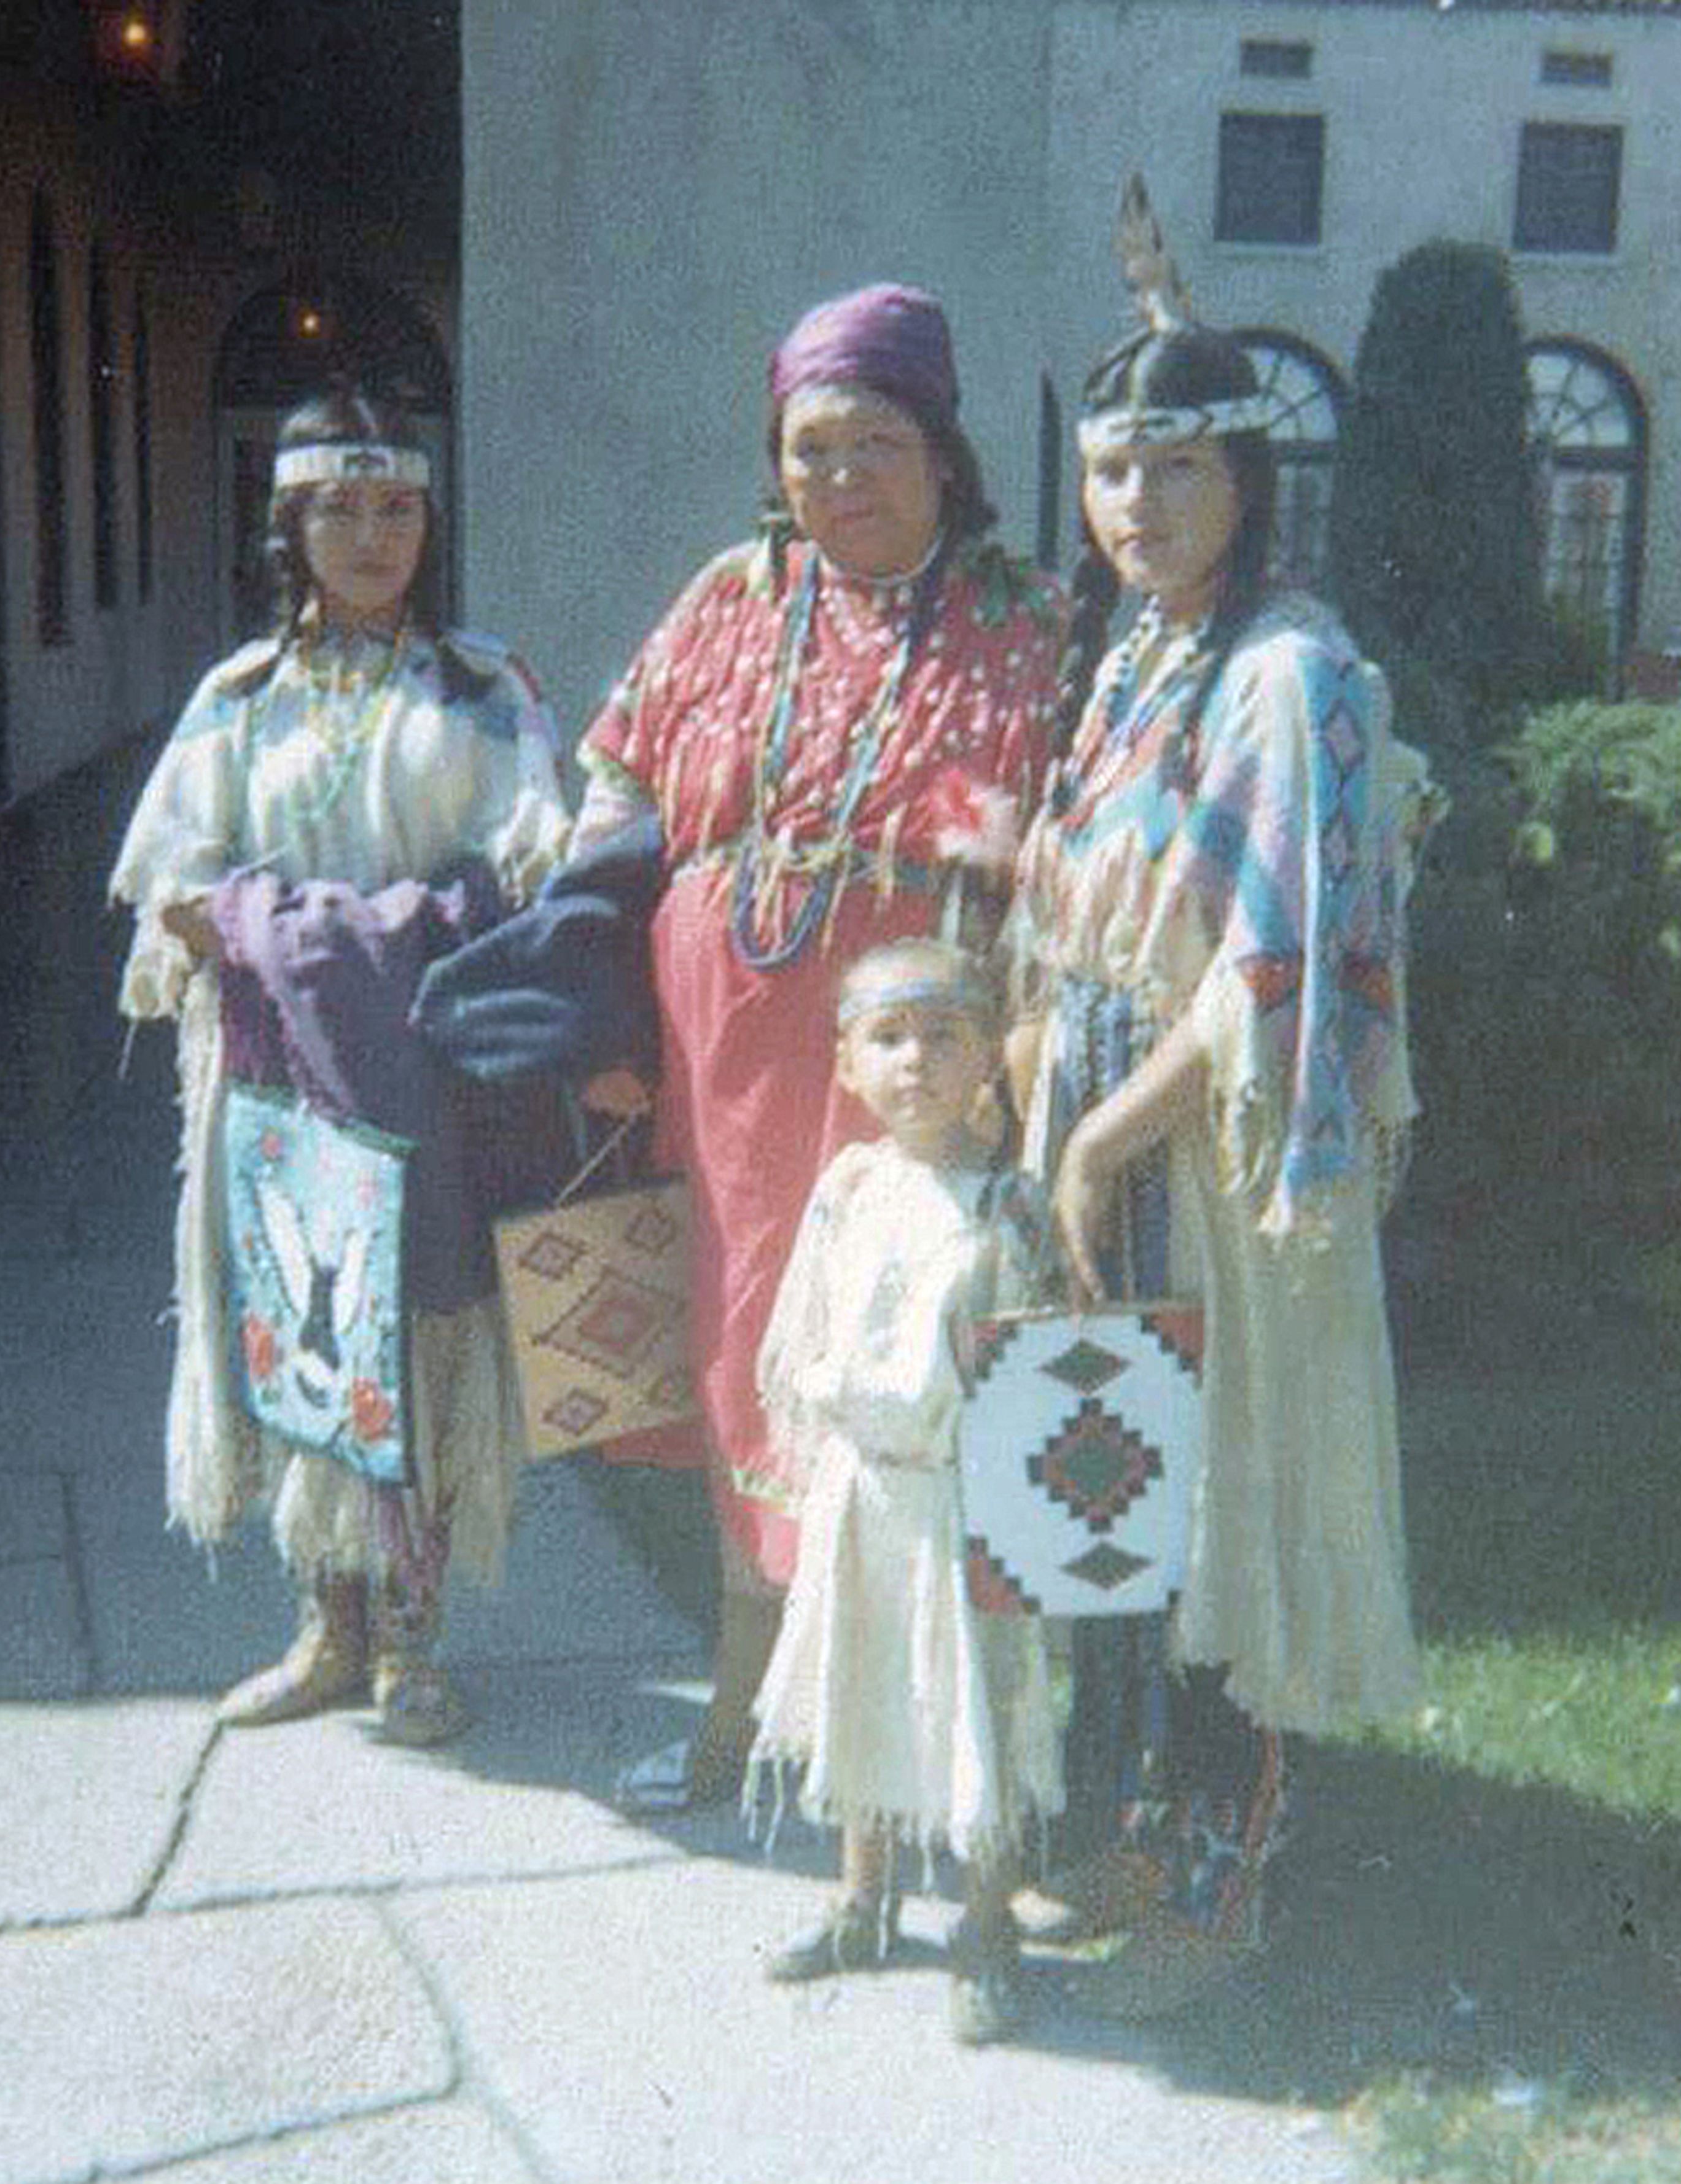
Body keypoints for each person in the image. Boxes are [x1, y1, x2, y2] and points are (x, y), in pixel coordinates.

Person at [569, 284, 1066, 1809]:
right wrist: (596, 999)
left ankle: (904, 1750)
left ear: (941, 447)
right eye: (809, 447)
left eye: (874, 442)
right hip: (720, 1064)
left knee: (895, 1359)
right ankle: (741, 1715)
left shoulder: (1024, 613)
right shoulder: (733, 596)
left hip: (908, 1066)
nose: (839, 477)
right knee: (743, 1358)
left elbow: (1058, 860)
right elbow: (613, 790)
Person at [1006, 260, 1434, 1992]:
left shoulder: (1289, 673)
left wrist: (1101, 1139)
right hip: (1101, 1110)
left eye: (1177, 470)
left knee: (1217, 1502)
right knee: (1113, 1483)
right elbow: (1079, 916)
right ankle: (1133, 1823)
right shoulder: (1138, 659)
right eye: (1112, 471)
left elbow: (1270, 969)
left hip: (1211, 1149)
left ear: (1249, 482)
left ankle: (1221, 1870)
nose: (1137, 507)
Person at [109, 388, 569, 1744]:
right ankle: (327, 1625)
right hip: (267, 1067)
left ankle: (413, 1638)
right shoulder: (237, 701)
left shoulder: (483, 688)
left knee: (419, 1332)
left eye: (397, 507)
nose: (371, 536)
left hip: (423, 1060)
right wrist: (266, 928)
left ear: (432, 518)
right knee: (297, 1324)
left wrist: (365, 934)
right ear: (288, 525)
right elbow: (171, 880)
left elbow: (533, 858)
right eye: (339, 509)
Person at [746, 938, 1062, 2046]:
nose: (914, 1061)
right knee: (862, 1682)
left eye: (943, 1037)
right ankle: (862, 1899)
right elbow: (807, 1332)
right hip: (863, 1491)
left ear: (989, 1058)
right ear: (846, 1063)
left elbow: (1038, 1371)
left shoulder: (1008, 1204)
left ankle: (985, 1924)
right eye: (888, 1038)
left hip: (960, 1504)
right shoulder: (851, 1186)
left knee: (973, 1706)